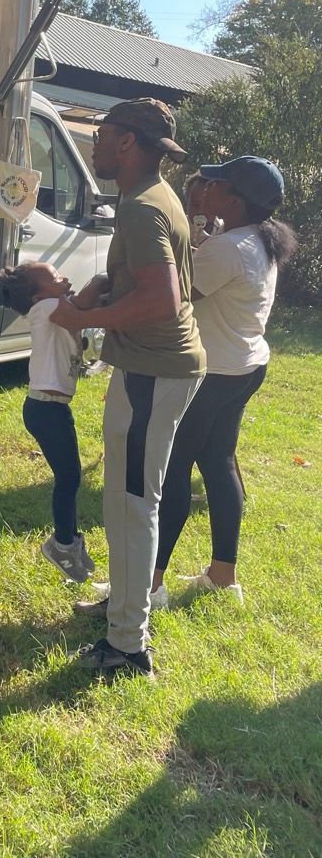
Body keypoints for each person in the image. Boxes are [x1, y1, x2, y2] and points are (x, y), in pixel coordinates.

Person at [51, 98, 205, 678]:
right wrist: (99, 288)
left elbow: (162, 300)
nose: (94, 142)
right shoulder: (150, 200)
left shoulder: (142, 207)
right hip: (148, 369)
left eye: (103, 133)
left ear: (129, 143)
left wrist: (79, 319)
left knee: (134, 503)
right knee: (121, 498)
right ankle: (121, 606)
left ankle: (127, 645)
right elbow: (146, 282)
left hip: (153, 373)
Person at [153, 158, 297, 606]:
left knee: (174, 468)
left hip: (214, 373)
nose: (206, 188)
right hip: (246, 367)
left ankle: (149, 584)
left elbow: (175, 294)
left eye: (215, 184)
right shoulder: (255, 240)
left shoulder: (229, 248)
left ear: (234, 200)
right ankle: (222, 576)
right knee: (219, 462)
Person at [0, 261, 95, 583]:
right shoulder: (48, 308)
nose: (65, 280)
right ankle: (63, 544)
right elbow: (88, 299)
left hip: (51, 408)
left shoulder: (50, 305)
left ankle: (68, 540)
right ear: (37, 297)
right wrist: (105, 278)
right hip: (45, 409)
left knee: (70, 477)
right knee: (69, 478)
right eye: (57, 279)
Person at [184, 171, 222, 248]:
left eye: (208, 205)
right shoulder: (179, 227)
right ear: (187, 203)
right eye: (196, 205)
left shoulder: (222, 229)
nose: (200, 211)